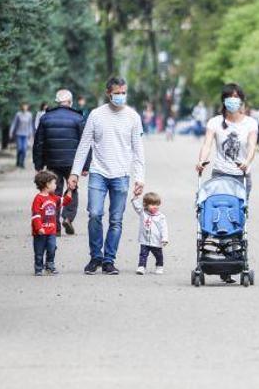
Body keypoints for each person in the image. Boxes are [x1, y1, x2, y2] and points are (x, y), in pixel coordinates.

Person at [69, 77, 145, 275]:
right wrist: (75, 173)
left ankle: (109, 260)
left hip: (121, 175)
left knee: (116, 220)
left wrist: (140, 178)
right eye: (117, 93)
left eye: (123, 92)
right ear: (108, 93)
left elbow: (139, 151)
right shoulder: (96, 115)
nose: (121, 96)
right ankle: (96, 257)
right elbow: (84, 145)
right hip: (98, 173)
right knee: (94, 214)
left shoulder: (133, 117)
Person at [32, 89, 88, 235]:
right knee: (72, 188)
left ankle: (54, 226)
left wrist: (38, 164)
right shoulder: (78, 118)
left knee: (54, 192)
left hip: (52, 162)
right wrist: (85, 166)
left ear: (57, 102)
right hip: (72, 163)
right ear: (70, 102)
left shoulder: (46, 118)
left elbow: (39, 143)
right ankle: (68, 217)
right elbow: (85, 142)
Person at [196, 83, 258, 198]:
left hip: (242, 175)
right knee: (218, 211)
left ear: (241, 100)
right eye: (229, 96)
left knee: (239, 213)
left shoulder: (251, 123)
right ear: (224, 100)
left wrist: (247, 162)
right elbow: (207, 145)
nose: (232, 100)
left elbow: (252, 146)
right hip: (220, 175)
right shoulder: (214, 122)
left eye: (236, 97)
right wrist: (201, 161)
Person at [30, 170, 73, 275]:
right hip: (40, 232)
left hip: (51, 231)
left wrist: (70, 190)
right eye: (54, 183)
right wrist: (39, 227)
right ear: (47, 184)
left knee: (52, 248)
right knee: (39, 252)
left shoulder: (53, 197)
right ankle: (38, 267)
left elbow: (65, 201)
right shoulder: (38, 199)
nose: (56, 185)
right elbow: (36, 215)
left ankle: (50, 265)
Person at [132, 192, 169, 275]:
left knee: (158, 255)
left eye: (156, 204)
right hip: (144, 239)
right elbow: (137, 207)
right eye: (152, 204)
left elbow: (164, 228)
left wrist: (164, 238)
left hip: (156, 240)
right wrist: (135, 198)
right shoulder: (143, 213)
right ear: (146, 205)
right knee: (143, 254)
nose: (155, 207)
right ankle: (141, 266)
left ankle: (159, 266)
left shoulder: (161, 217)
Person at [10, 103, 34, 168]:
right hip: (19, 134)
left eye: (26, 106)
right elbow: (14, 123)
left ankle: (22, 163)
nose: (25, 107)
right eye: (24, 106)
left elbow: (30, 125)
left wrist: (31, 135)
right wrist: (11, 132)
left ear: (27, 107)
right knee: (19, 148)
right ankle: (18, 161)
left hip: (26, 134)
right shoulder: (18, 114)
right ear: (22, 107)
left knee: (24, 149)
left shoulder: (29, 115)